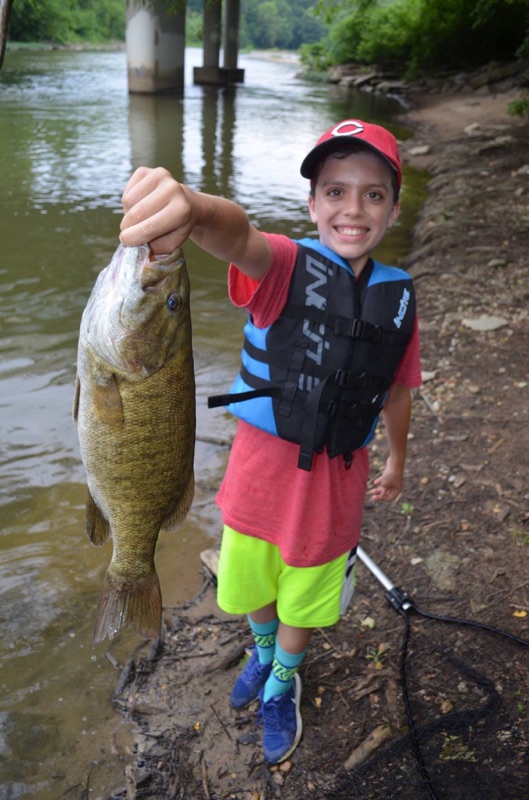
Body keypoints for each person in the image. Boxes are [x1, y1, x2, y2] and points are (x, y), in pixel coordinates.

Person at [119, 118, 422, 766]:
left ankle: (283, 681)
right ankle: (261, 654)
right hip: (258, 477)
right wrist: (193, 208)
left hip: (334, 486)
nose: (353, 207)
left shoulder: (399, 300)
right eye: (335, 191)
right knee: (249, 582)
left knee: (304, 597)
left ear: (393, 208)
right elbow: (237, 235)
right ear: (312, 204)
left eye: (373, 194)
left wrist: (395, 457)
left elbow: (397, 388)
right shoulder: (283, 267)